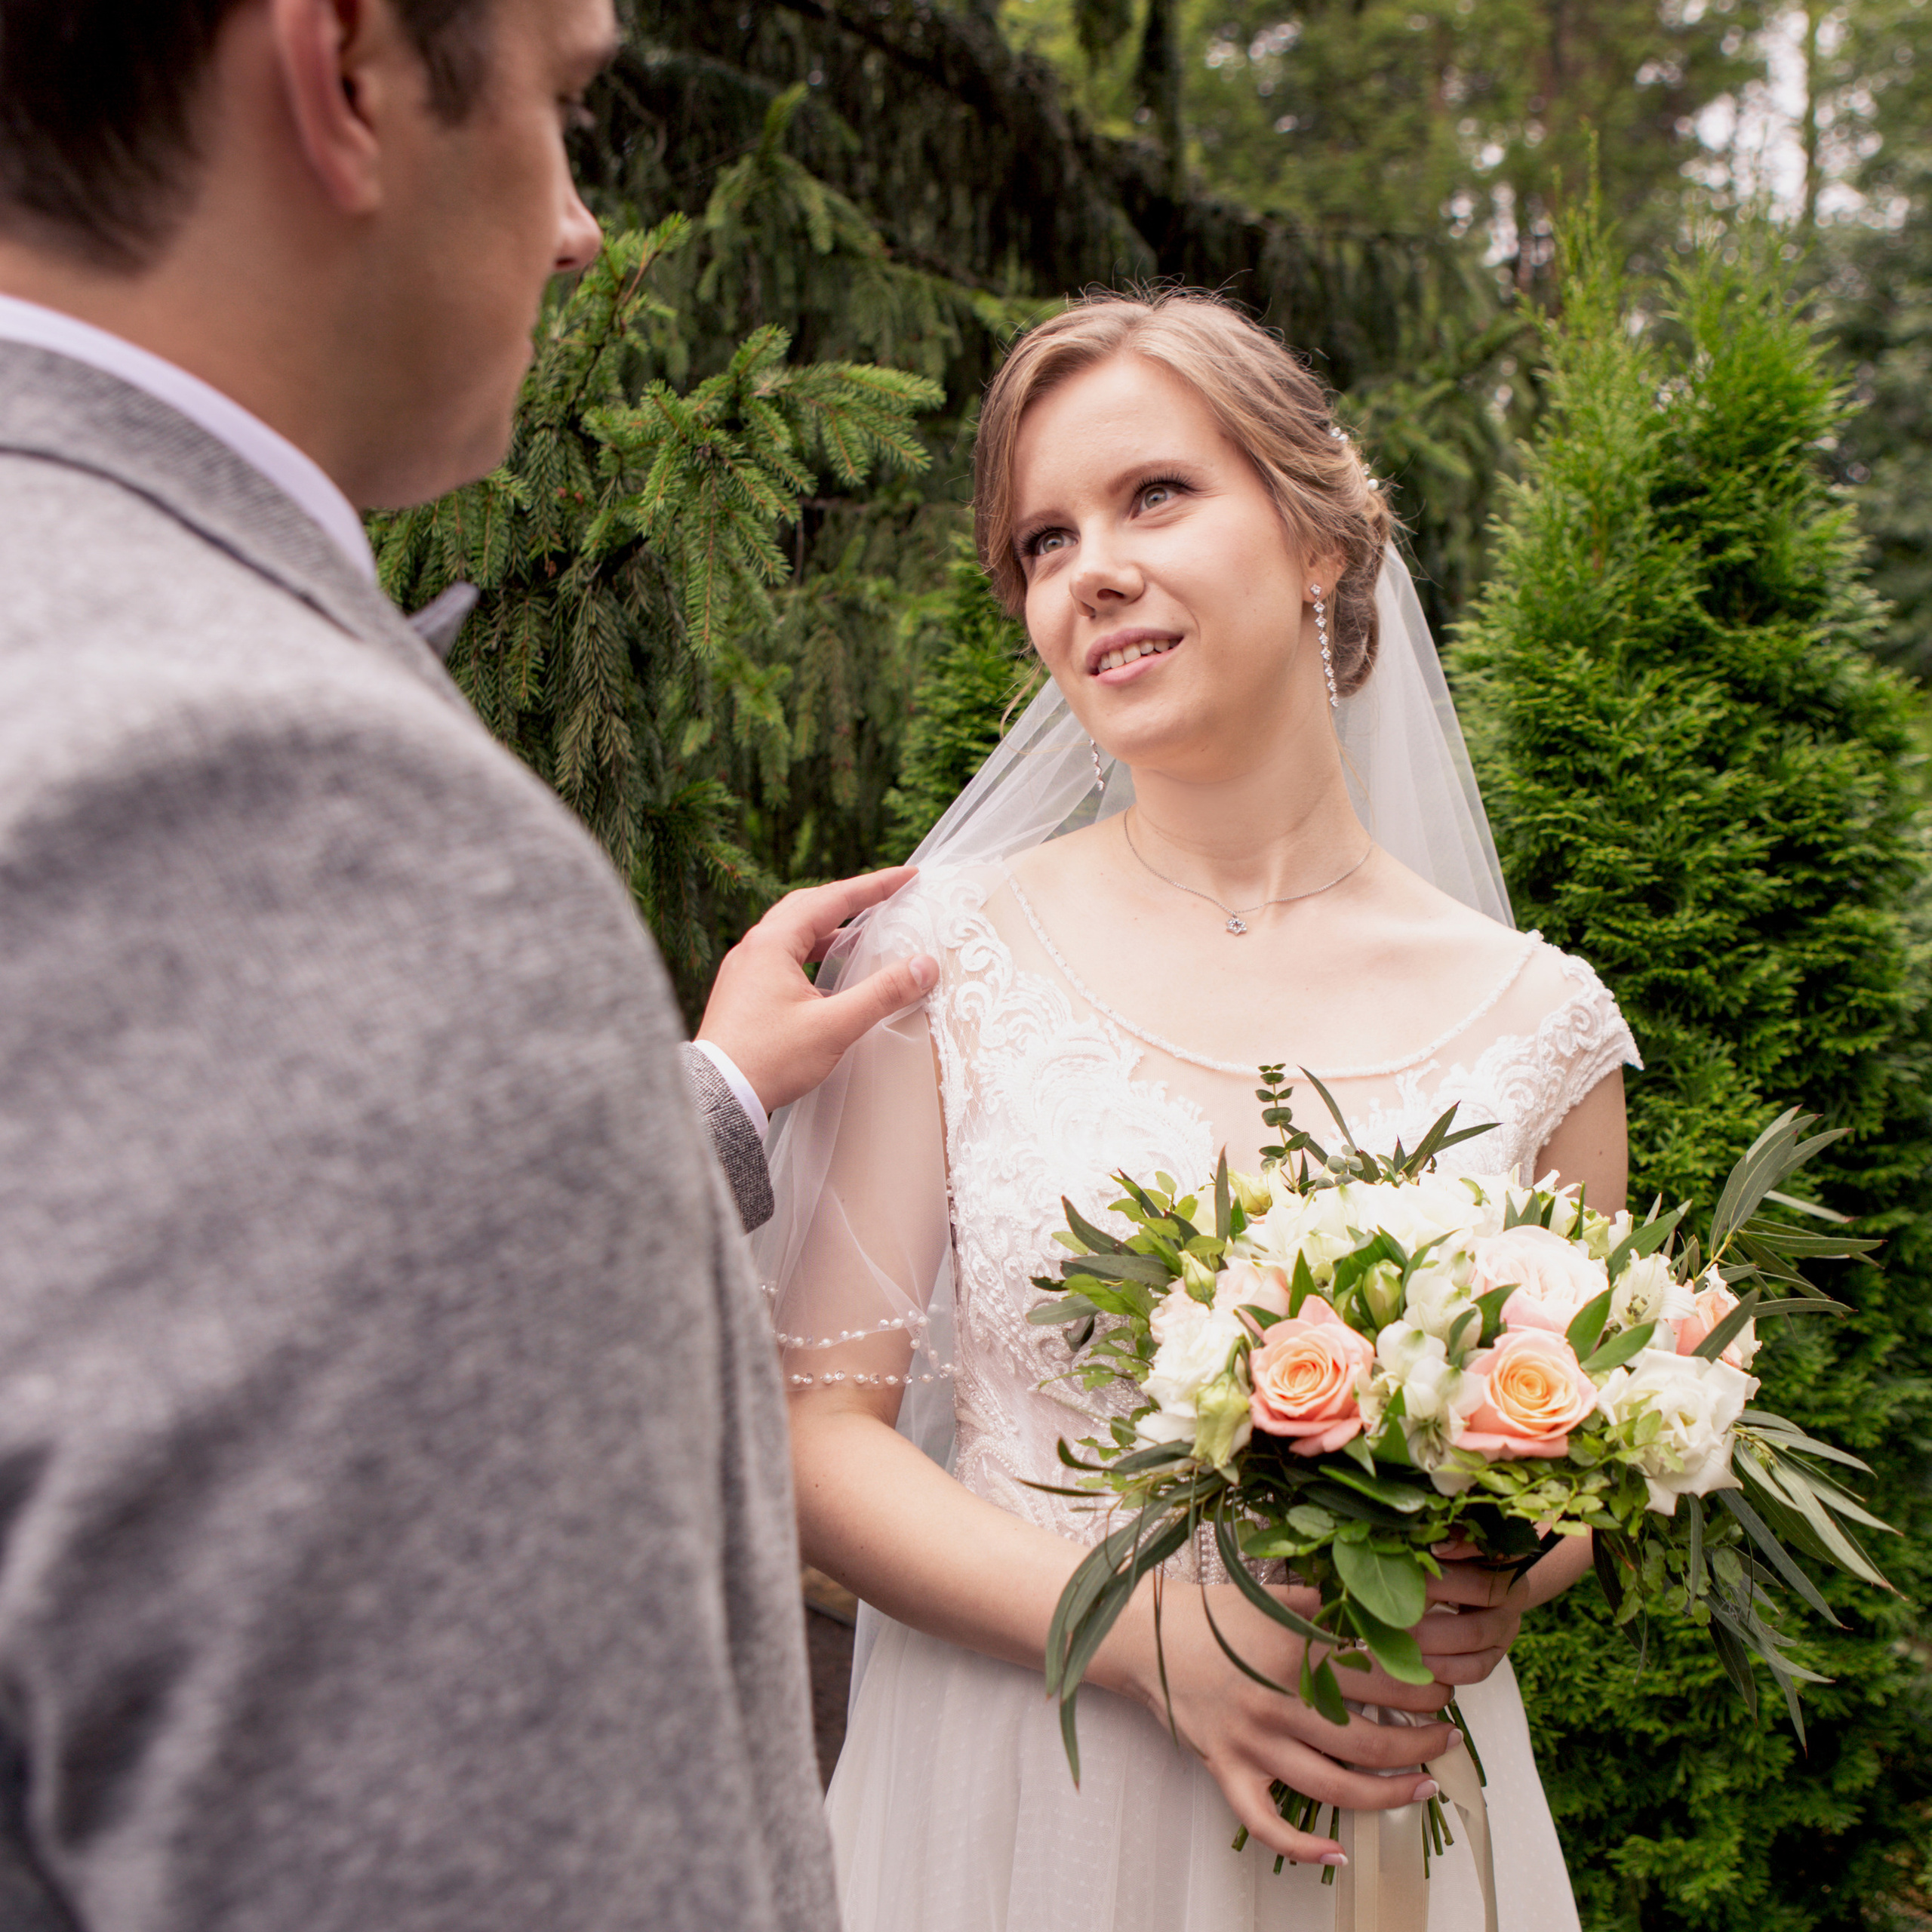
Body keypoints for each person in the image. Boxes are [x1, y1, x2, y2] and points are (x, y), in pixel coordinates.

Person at [0, 2, 931, 1927]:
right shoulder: (307, 830)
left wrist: (700, 1104)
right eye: (561, 96)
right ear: (344, 69)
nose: (581, 227)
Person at [764, 291, 1640, 1932]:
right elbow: (816, 1436)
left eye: (1152, 494)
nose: (1084, 568)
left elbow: (1574, 1465)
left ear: (1317, 536)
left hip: (1382, 1795)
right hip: (1025, 1779)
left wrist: (1484, 1580)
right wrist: (1149, 1635)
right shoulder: (939, 960)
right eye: (1040, 539)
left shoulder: (1543, 1023)